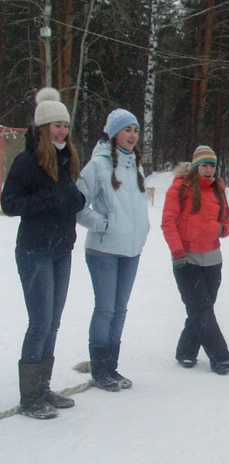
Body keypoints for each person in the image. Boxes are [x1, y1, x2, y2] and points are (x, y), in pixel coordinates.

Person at [0, 87, 85, 419]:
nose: (62, 131)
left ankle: (43, 387)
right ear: (42, 128)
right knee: (40, 322)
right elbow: (9, 204)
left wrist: (74, 198)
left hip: (62, 248)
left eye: (65, 125)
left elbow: (71, 197)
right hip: (35, 251)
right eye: (56, 125)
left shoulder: (68, 158)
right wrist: (47, 200)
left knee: (53, 323)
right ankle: (30, 396)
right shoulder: (27, 160)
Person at [76, 109, 150, 391]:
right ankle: (99, 369)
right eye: (126, 129)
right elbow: (77, 205)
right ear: (113, 133)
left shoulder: (137, 166)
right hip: (103, 250)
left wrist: (142, 229)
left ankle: (111, 367)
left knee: (120, 311)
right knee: (105, 310)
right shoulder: (97, 165)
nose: (132, 136)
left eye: (135, 130)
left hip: (131, 250)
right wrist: (102, 224)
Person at [161, 145, 229, 374]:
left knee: (201, 308)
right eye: (204, 165)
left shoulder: (218, 190)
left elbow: (227, 225)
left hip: (213, 258)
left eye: (212, 165)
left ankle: (185, 352)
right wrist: (178, 253)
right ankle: (220, 357)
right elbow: (168, 223)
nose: (208, 170)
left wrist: (219, 228)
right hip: (187, 259)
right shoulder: (178, 189)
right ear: (195, 166)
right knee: (202, 308)